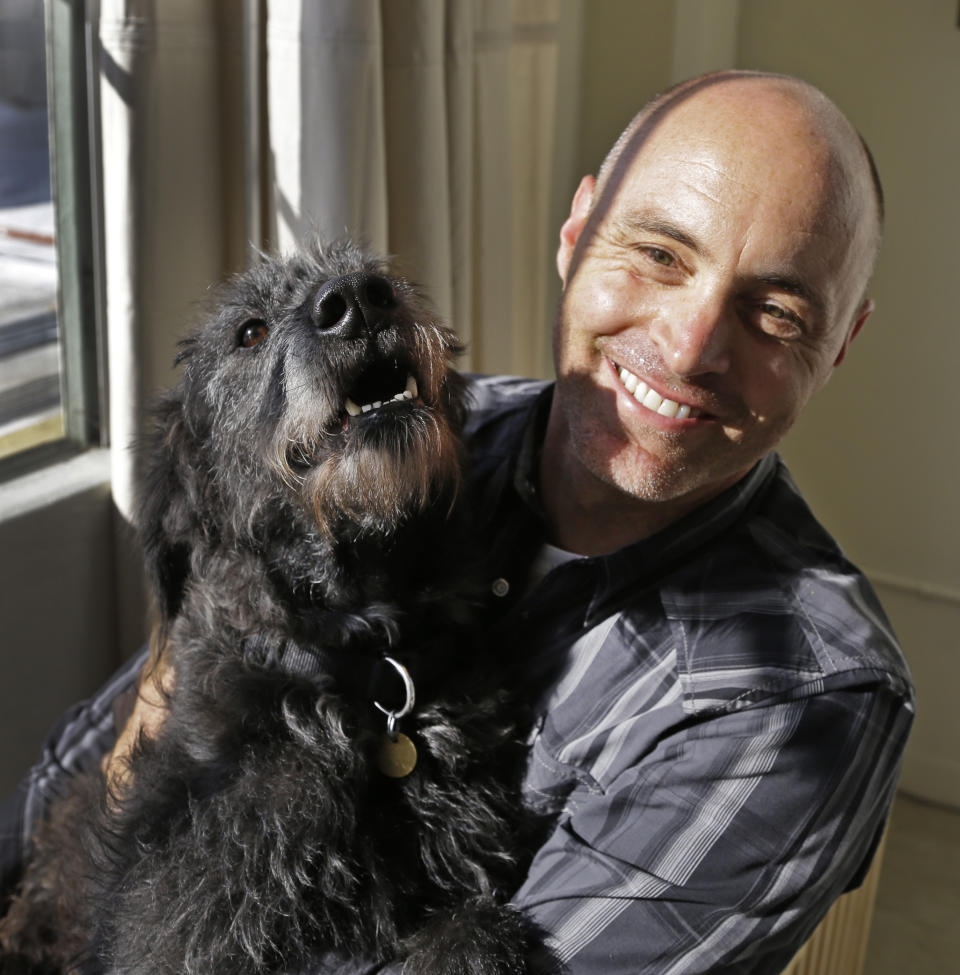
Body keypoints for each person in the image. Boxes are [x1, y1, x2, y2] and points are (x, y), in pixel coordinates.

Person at [0, 70, 913, 973]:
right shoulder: (402, 450)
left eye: (775, 313)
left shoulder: (796, 693)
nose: (689, 346)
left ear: (840, 344)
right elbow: (75, 778)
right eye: (661, 254)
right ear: (578, 228)